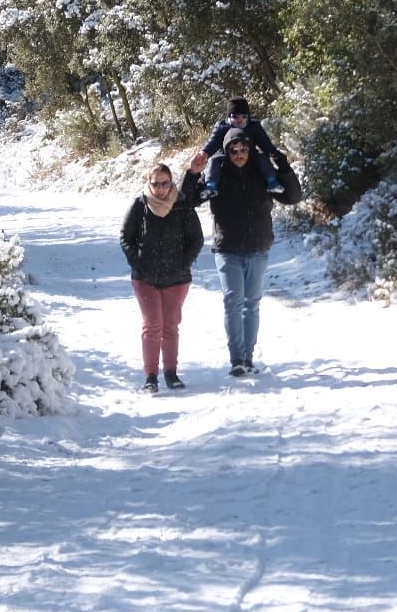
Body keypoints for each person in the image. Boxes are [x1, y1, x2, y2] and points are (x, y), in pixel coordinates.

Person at [183, 133, 303, 377]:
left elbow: (293, 197)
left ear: (250, 151)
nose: (239, 154)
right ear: (227, 151)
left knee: (252, 304)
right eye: (234, 150)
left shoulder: (262, 173)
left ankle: (248, 356)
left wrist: (284, 167)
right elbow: (188, 199)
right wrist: (193, 173)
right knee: (233, 303)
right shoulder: (216, 174)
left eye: (243, 150)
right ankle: (236, 358)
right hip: (227, 249)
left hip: (258, 249)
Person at [121, 163, 204, 393]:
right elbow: (125, 237)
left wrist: (183, 264)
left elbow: (196, 239)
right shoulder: (140, 205)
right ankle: (150, 376)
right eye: (155, 183)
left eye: (164, 183)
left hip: (177, 279)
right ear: (149, 183)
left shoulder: (182, 206)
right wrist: (138, 263)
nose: (160, 188)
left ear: (171, 182)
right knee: (152, 325)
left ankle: (171, 373)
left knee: (170, 326)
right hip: (145, 278)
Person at [192, 97, 285, 197]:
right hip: (225, 154)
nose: (240, 120)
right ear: (229, 117)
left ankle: (272, 181)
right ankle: (211, 186)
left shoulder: (254, 126)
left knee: (263, 158)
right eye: (235, 116)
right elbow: (214, 141)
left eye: (243, 116)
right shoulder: (222, 127)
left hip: (250, 153)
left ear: (248, 117)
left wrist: (272, 151)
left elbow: (264, 141)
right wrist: (205, 152)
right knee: (214, 161)